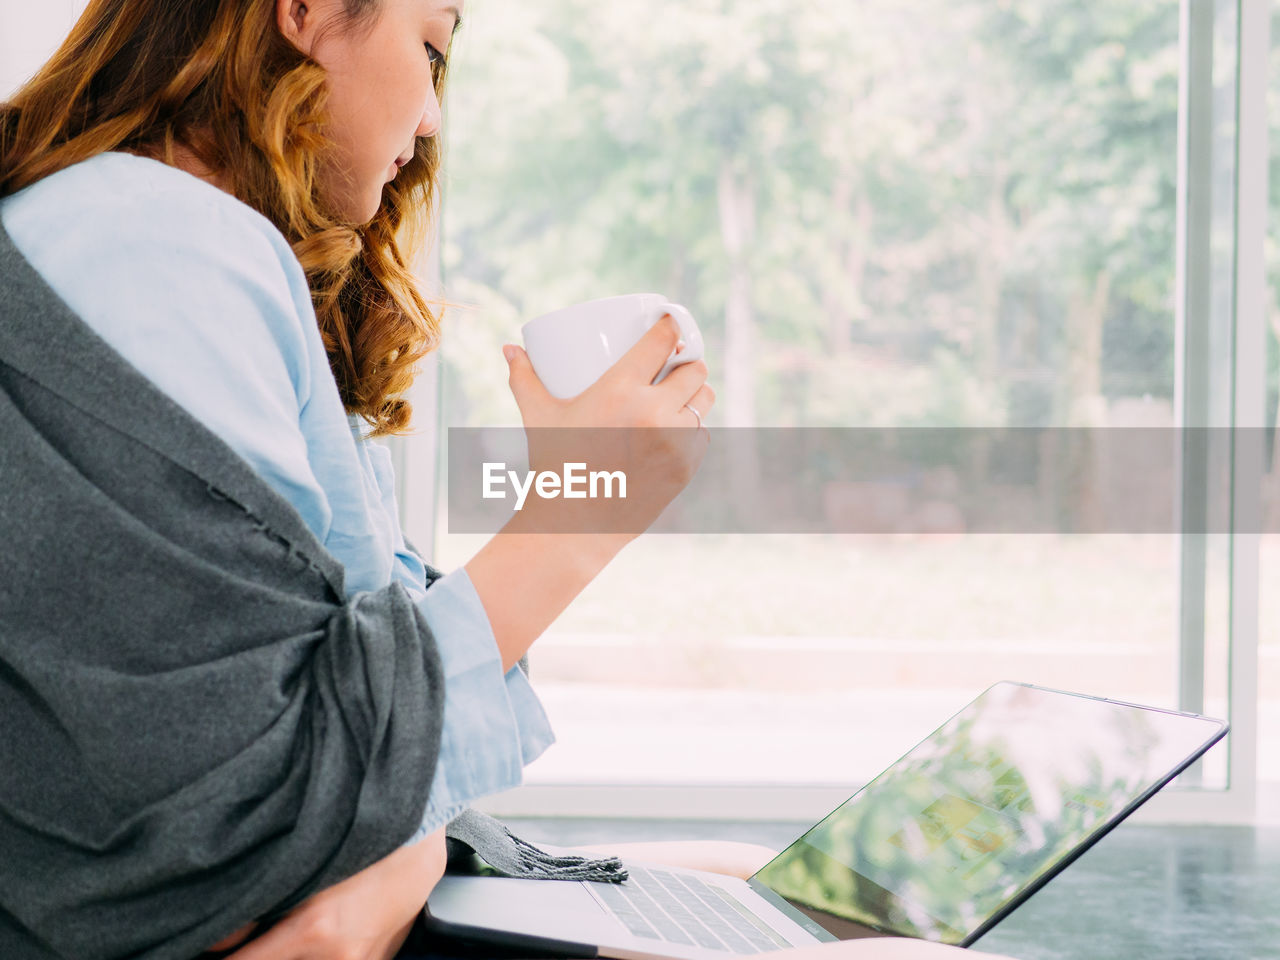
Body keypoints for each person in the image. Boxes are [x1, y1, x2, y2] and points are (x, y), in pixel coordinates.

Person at [0, 2, 1018, 959]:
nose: (432, 116)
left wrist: (412, 858)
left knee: (777, 891)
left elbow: (322, 689)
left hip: (379, 884)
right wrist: (581, 512)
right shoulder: (153, 237)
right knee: (889, 940)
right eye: (431, 47)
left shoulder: (145, 235)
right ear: (304, 10)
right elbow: (249, 816)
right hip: (301, 909)